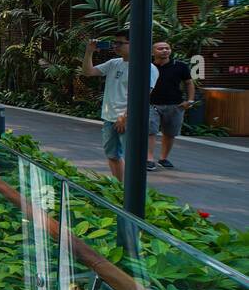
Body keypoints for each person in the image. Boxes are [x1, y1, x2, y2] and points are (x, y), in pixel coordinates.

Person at [83, 32, 159, 182]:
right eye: (114, 42)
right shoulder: (114, 63)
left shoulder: (147, 68)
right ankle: (119, 187)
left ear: (134, 44)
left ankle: (131, 194)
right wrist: (89, 52)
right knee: (112, 155)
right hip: (109, 118)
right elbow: (88, 72)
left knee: (133, 158)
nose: (115, 46)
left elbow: (143, 96)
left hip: (129, 119)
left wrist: (125, 116)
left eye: (120, 43)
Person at [148, 41, 195, 170]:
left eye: (167, 48)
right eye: (160, 48)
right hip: (151, 104)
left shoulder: (180, 66)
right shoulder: (148, 66)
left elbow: (189, 83)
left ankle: (163, 158)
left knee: (169, 133)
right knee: (150, 131)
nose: (164, 50)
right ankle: (149, 159)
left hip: (175, 105)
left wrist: (190, 100)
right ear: (153, 52)